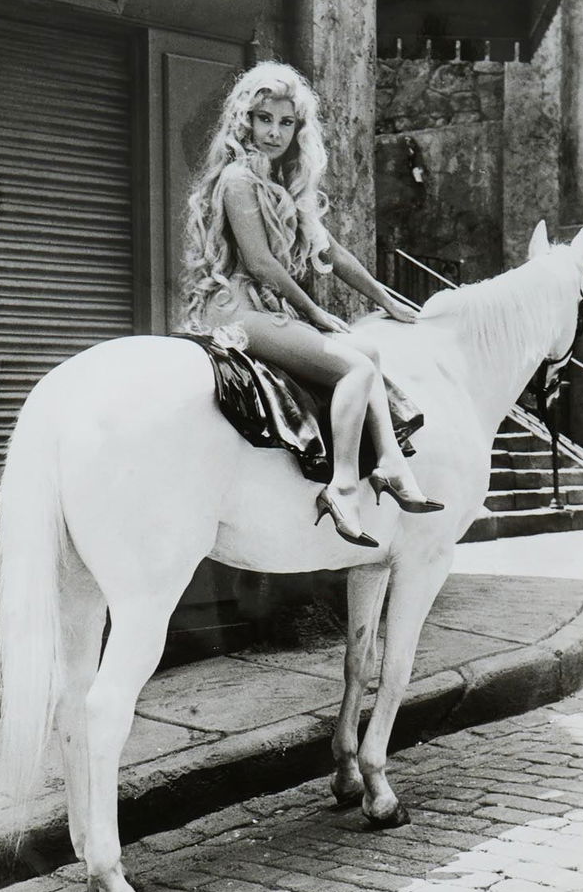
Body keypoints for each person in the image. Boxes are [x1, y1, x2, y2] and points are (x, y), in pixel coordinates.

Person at [179, 62, 443, 545]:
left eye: (286, 122)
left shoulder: (282, 184)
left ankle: (389, 463)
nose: (274, 132)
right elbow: (260, 264)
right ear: (245, 121)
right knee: (356, 370)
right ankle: (342, 486)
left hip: (263, 309)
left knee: (371, 352)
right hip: (238, 311)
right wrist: (316, 314)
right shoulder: (239, 180)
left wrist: (389, 300)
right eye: (264, 119)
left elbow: (332, 253)